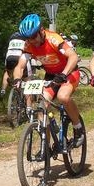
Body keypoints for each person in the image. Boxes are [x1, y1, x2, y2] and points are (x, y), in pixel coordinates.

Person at [12, 14, 85, 146]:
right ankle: (46, 144)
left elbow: (73, 57)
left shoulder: (53, 39)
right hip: (51, 75)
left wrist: (63, 74)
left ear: (41, 30)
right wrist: (17, 79)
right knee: (42, 107)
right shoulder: (29, 45)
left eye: (34, 36)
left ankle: (78, 127)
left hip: (69, 72)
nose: (32, 40)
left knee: (63, 97)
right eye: (28, 38)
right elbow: (20, 65)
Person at [0, 30, 27, 98]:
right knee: (24, 72)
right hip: (20, 56)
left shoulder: (12, 36)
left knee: (7, 72)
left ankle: (3, 91)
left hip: (9, 56)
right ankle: (18, 90)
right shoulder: (27, 36)